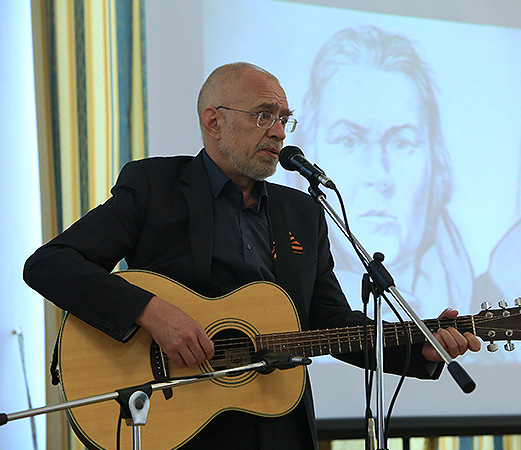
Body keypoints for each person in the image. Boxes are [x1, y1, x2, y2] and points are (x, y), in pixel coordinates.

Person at [23, 62, 480, 450]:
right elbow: (50, 264)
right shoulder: (154, 188)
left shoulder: (303, 212)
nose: (278, 131)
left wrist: (419, 347)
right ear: (214, 122)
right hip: (178, 422)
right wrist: (151, 311)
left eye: (284, 119)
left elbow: (329, 323)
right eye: (264, 116)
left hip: (278, 425)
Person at [293, 26, 474, 321]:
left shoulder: (484, 286)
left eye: (402, 143)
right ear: (308, 153)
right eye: (348, 141)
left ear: (436, 164)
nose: (379, 176)